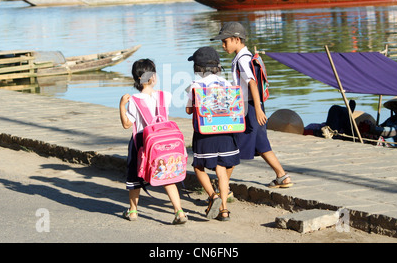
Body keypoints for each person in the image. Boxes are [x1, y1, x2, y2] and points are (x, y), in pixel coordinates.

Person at [211, 22, 293, 188]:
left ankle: (222, 189)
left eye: (225, 41)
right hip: (254, 107)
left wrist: (256, 110)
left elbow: (252, 84)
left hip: (249, 109)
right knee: (262, 144)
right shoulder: (244, 57)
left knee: (233, 149)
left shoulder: (242, 59)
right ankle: (282, 176)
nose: (223, 45)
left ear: (236, 39)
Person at [119, 58, 188, 224]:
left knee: (134, 179)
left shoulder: (134, 100)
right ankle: (179, 212)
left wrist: (122, 105)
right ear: (154, 77)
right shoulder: (166, 96)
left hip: (141, 142)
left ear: (136, 79)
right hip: (163, 142)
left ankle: (133, 211)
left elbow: (127, 124)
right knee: (168, 176)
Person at [185, 47, 240, 221]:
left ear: (198, 67)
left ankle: (212, 196)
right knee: (222, 169)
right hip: (226, 132)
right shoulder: (227, 83)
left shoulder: (195, 86)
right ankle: (224, 210)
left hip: (205, 132)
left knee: (198, 167)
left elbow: (188, 110)